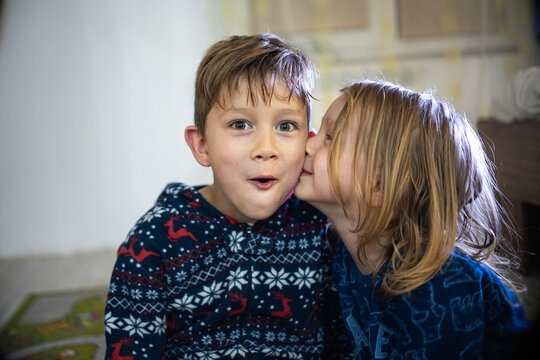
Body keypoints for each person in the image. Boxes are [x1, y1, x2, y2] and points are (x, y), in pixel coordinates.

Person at [104, 33, 351, 359]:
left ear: (309, 141)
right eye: (239, 124)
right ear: (202, 145)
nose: (266, 149)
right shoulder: (154, 241)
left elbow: (343, 342)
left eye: (286, 126)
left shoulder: (320, 225)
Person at [295, 79, 531, 359]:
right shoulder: (339, 252)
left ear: (379, 187)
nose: (307, 144)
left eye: (330, 137)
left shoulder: (441, 285)